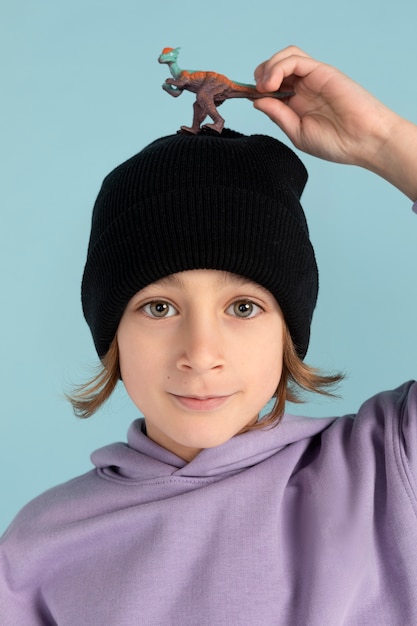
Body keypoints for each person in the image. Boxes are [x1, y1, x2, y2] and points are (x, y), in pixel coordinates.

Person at [1, 45, 416, 625]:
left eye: (243, 306)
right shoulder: (33, 550)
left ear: (288, 332)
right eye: (159, 307)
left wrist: (385, 141)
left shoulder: (389, 468)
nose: (200, 354)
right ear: (110, 328)